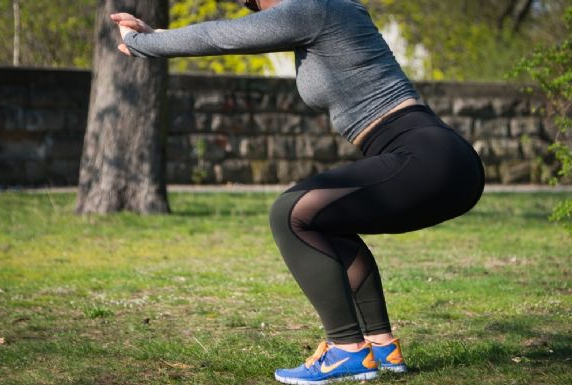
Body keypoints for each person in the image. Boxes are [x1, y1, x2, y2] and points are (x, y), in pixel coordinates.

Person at [111, 0, 485, 383]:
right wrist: (155, 35)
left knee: (290, 214)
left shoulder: (315, 9)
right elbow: (227, 35)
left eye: (252, 2)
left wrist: (144, 44)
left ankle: (346, 350)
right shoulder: (326, 12)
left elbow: (219, 36)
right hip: (444, 160)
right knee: (327, 221)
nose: (253, 9)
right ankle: (381, 346)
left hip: (426, 157)